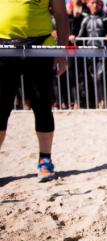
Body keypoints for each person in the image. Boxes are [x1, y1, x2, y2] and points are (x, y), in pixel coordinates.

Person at [0, 0, 69, 181]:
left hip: (40, 47)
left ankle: (45, 160)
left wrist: (62, 54)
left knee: (42, 106)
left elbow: (61, 16)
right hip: (3, 48)